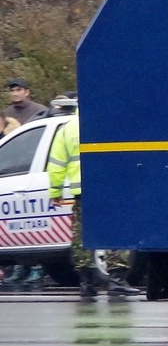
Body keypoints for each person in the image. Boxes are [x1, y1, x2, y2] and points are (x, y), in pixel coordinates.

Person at [45, 100, 140, 298]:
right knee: (117, 231)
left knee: (82, 235)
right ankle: (117, 280)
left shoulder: (68, 127)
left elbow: (56, 164)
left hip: (82, 190)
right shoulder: (109, 122)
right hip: (110, 187)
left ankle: (86, 283)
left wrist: (55, 192)